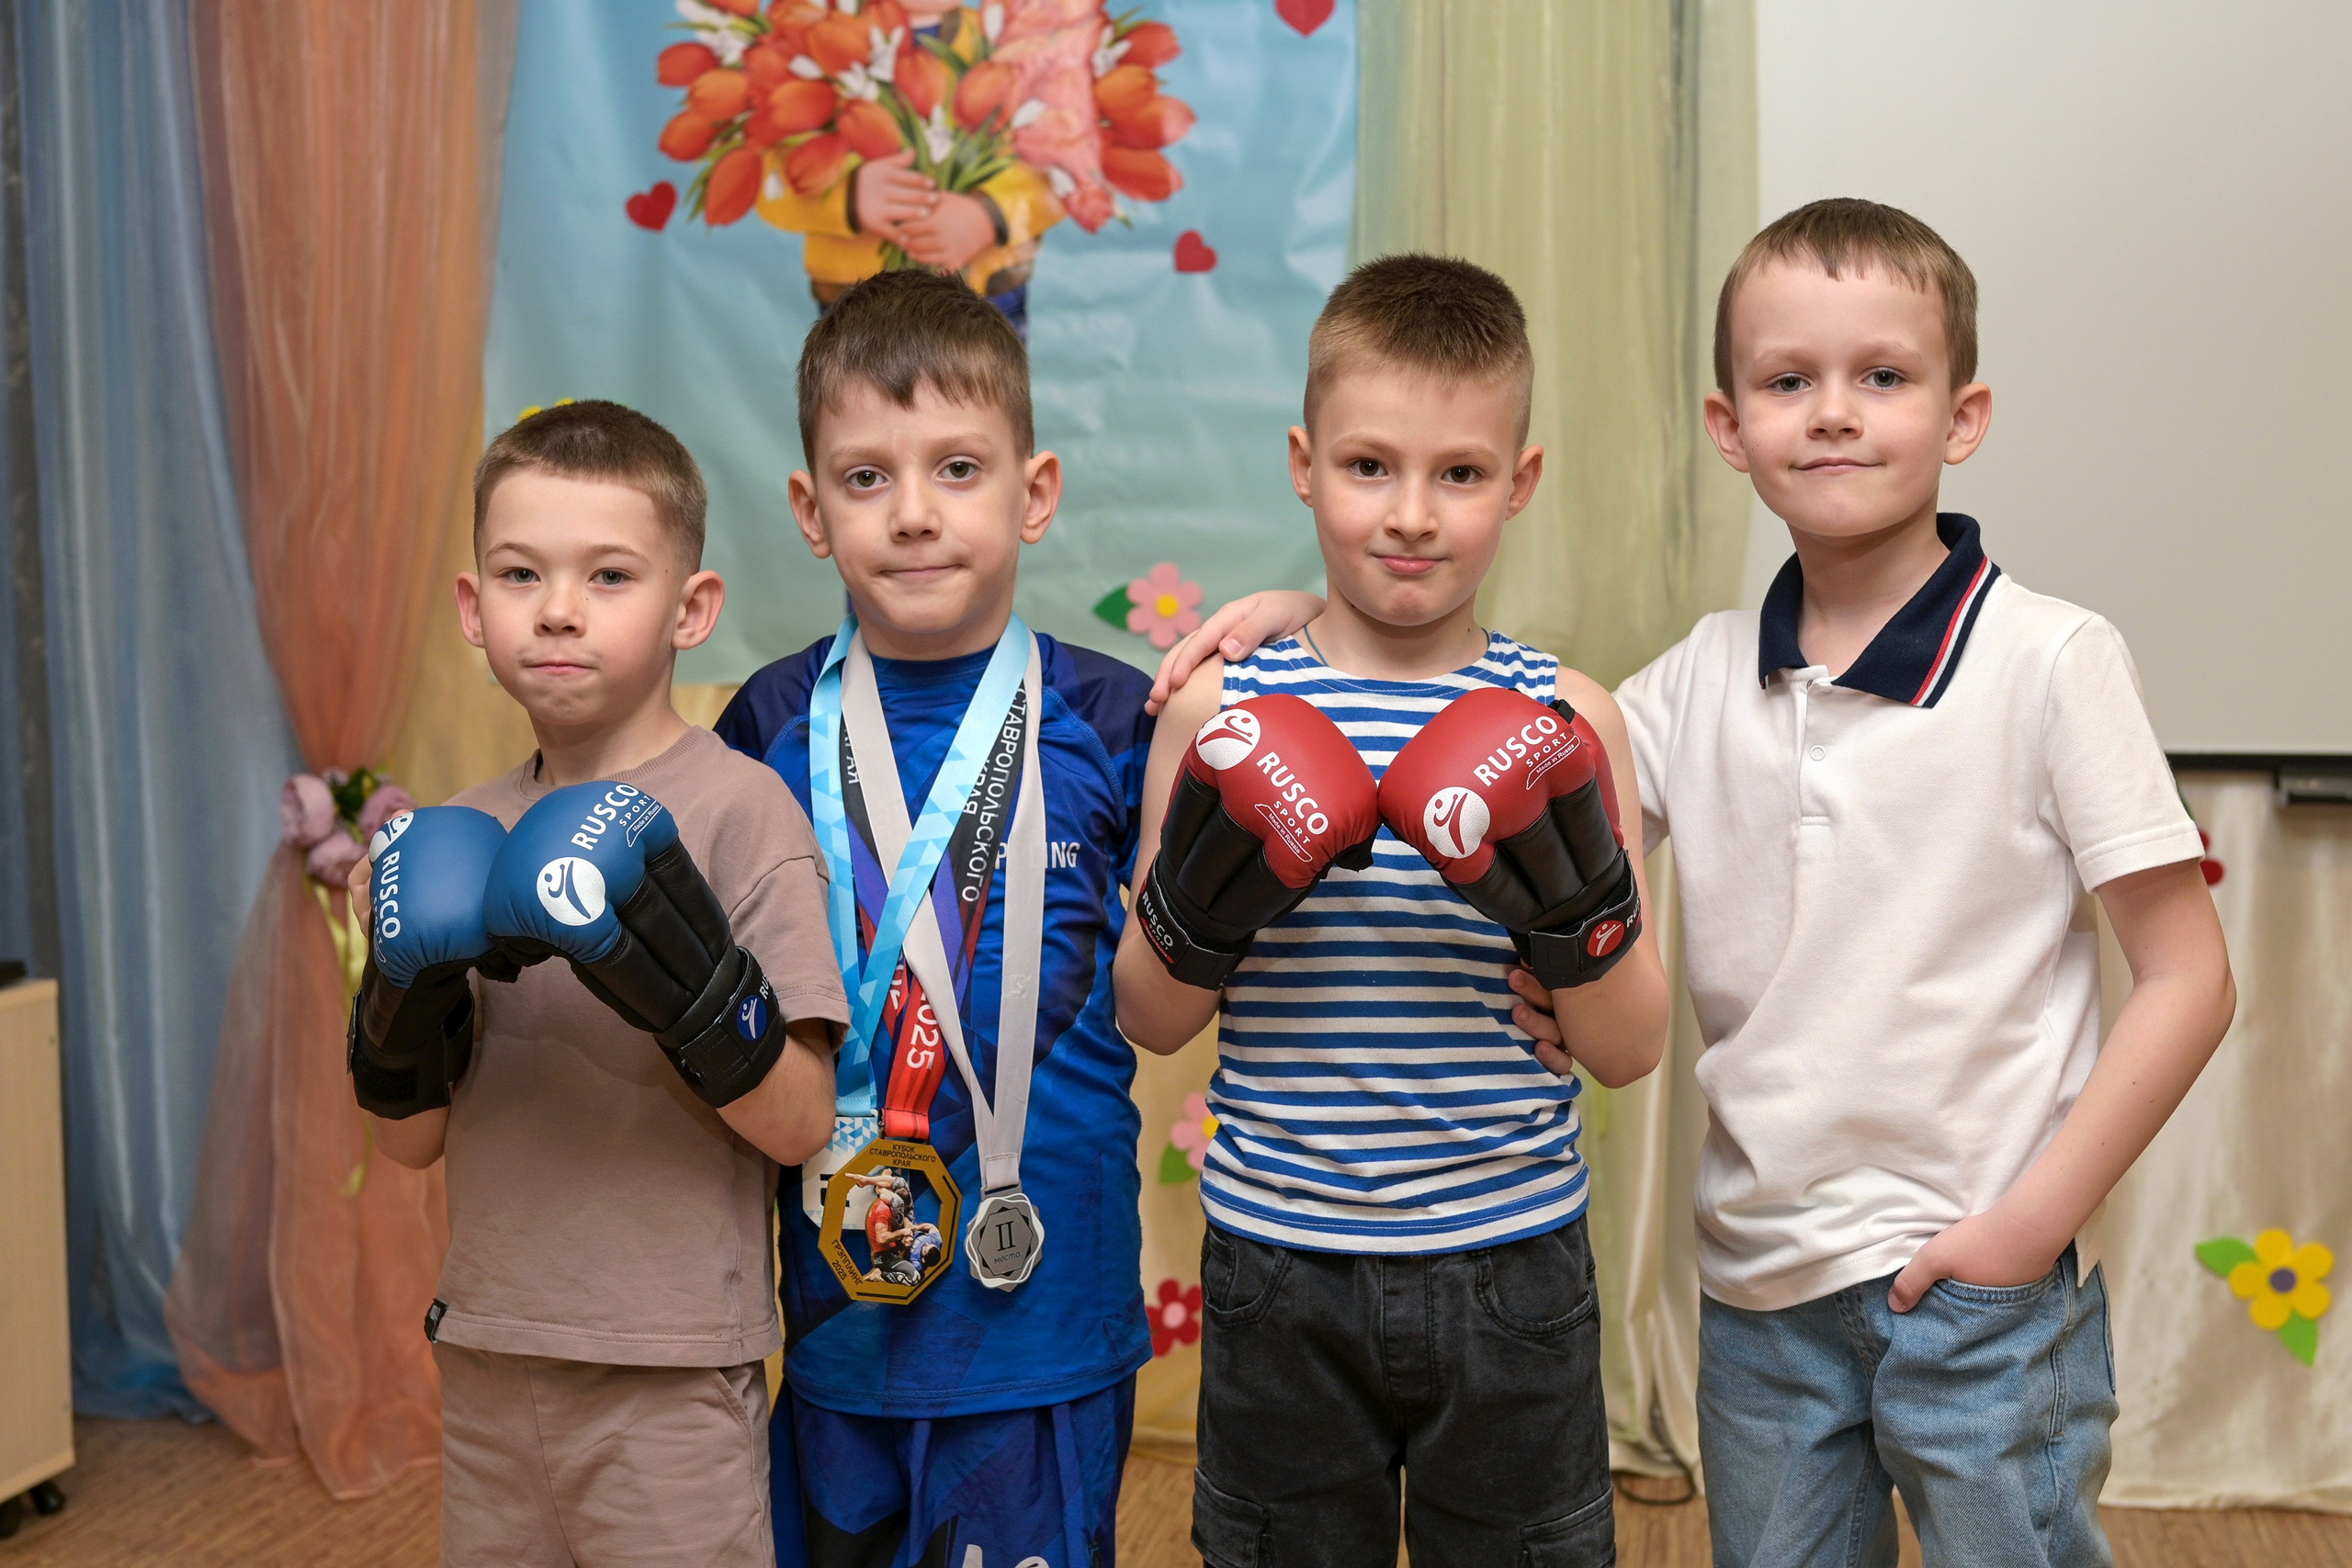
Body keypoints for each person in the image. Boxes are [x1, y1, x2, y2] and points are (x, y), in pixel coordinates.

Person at [1170, 202, 2240, 1568]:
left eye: (1885, 377)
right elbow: (1510, 761)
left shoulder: (2054, 657)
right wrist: (1287, 627)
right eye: (1791, 380)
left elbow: (2192, 975)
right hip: (1758, 1284)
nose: (1836, 414)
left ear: (1963, 415)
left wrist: (2028, 1226)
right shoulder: (1691, 680)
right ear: (1730, 426)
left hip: (1983, 1288)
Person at [714, 267, 1317, 1567]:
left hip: (1044, 1306)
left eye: (958, 468)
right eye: (867, 478)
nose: (915, 513)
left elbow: (1378, 667)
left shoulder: (1114, 714)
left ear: (1033, 493)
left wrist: (1310, 610)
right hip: (839, 1310)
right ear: (810, 511)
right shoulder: (765, 725)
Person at [1113, 254, 1671, 1566]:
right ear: (1305, 463)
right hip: (1277, 1255)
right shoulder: (1220, 712)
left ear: (1520, 482)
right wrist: (1205, 899)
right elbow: (1148, 1014)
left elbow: (1632, 1046)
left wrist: (1576, 910)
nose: (1412, 514)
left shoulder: (1570, 717)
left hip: (1513, 1254)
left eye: (1460, 474)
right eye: (1370, 467)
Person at [347, 400, 849, 1568]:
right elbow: (411, 1145)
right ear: (475, 609)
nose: (560, 608)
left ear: (692, 609)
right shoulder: (454, 833)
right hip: (486, 1354)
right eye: (522, 573)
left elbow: (799, 1123)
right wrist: (398, 995)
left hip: (669, 1373)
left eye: (610, 575)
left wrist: (681, 987)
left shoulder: (740, 812)